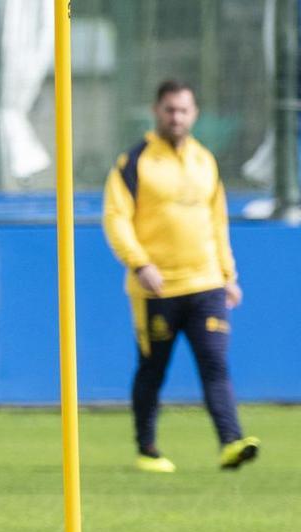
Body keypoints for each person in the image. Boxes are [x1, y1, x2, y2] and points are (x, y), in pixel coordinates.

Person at [102, 79, 259, 474]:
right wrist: (140, 263)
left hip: (205, 282)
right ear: (157, 111)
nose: (177, 117)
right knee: (153, 368)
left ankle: (231, 442)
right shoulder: (135, 162)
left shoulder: (205, 160)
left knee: (215, 363)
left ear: (195, 114)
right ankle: (147, 449)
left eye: (184, 110)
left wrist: (228, 274)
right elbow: (116, 219)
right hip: (157, 287)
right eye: (170, 109)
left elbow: (217, 221)